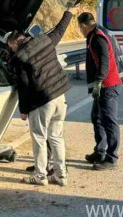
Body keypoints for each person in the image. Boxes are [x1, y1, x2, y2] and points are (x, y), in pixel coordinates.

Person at [7, 10, 74, 186]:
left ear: (15, 42)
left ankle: (40, 176)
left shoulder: (19, 57)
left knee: (39, 137)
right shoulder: (45, 40)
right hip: (60, 97)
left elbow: (24, 85)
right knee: (56, 137)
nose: (11, 50)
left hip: (42, 101)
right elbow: (60, 30)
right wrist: (68, 14)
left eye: (10, 47)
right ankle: (61, 175)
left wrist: (23, 110)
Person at [78, 12, 123, 171]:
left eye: (80, 28)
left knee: (109, 120)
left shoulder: (97, 37)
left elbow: (105, 60)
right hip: (104, 84)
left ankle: (111, 158)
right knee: (97, 117)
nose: (80, 31)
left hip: (108, 85)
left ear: (83, 25)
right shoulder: (100, 31)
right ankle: (100, 151)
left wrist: (98, 81)